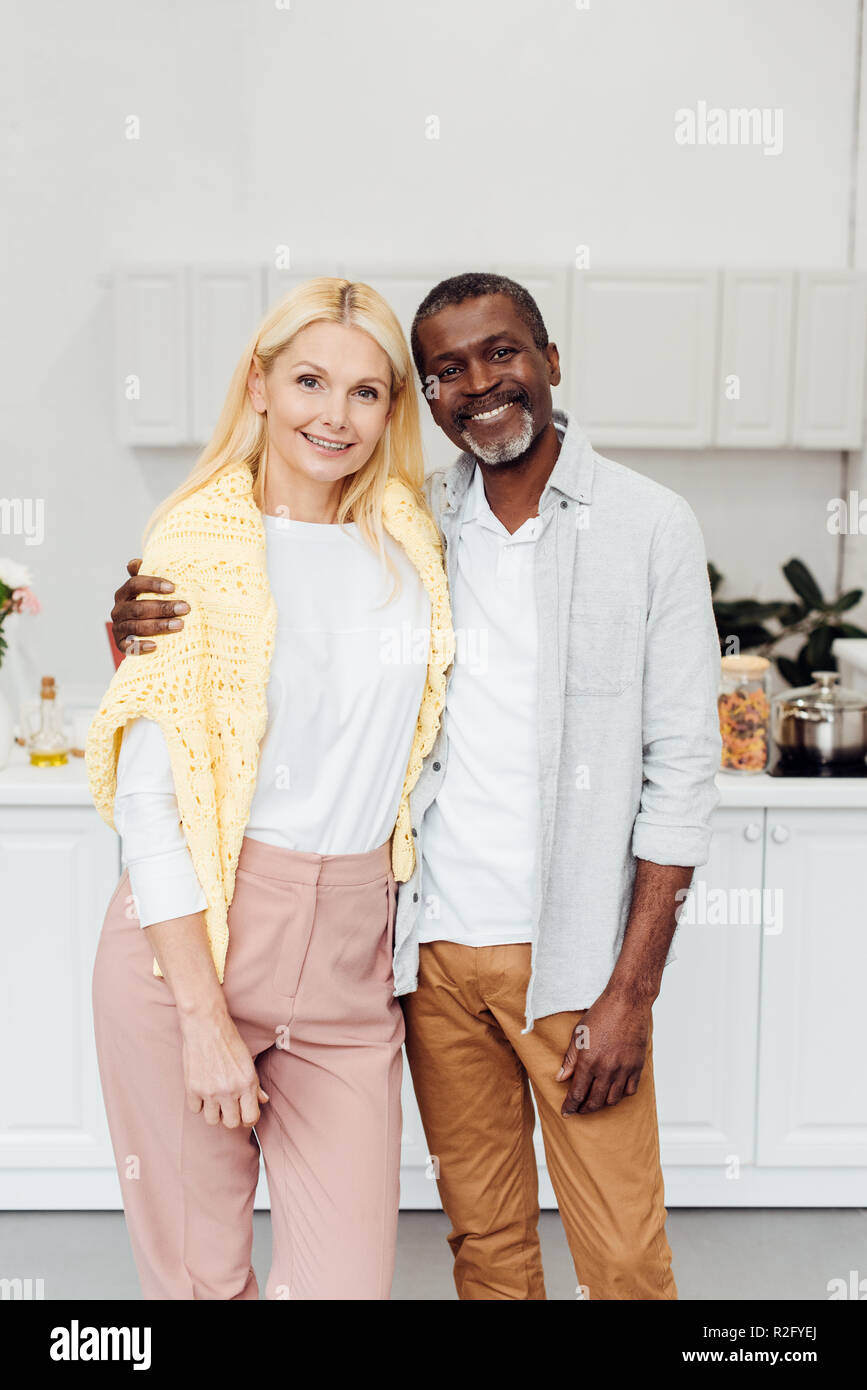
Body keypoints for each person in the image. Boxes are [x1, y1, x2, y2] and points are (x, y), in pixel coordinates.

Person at [108, 272, 722, 1302]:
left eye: (501, 354)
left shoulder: (637, 527)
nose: (478, 384)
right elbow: (227, 655)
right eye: (445, 370)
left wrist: (632, 991)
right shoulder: (414, 520)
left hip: (559, 961)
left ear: (551, 362)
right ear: (425, 400)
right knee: (481, 1246)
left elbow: (684, 774)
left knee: (620, 1256)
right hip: (421, 953)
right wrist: (138, 622)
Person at [86, 277, 453, 1301]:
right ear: (258, 385)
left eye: (367, 391)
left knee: (346, 1284)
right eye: (307, 380)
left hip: (347, 954)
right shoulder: (192, 549)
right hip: (191, 950)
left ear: (392, 410)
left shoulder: (416, 551)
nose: (333, 415)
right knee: (201, 1280)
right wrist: (203, 1019)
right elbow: (154, 803)